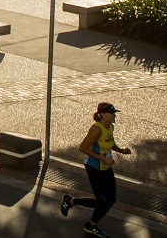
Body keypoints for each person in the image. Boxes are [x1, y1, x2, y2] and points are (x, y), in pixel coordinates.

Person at [60, 102, 131, 238]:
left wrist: (121, 150)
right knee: (102, 201)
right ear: (102, 114)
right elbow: (83, 148)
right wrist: (103, 159)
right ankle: (90, 225)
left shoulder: (110, 126)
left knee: (111, 199)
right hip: (94, 168)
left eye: (115, 112)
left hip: (105, 167)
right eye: (112, 113)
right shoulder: (96, 129)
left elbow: (110, 142)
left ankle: (70, 202)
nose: (114, 115)